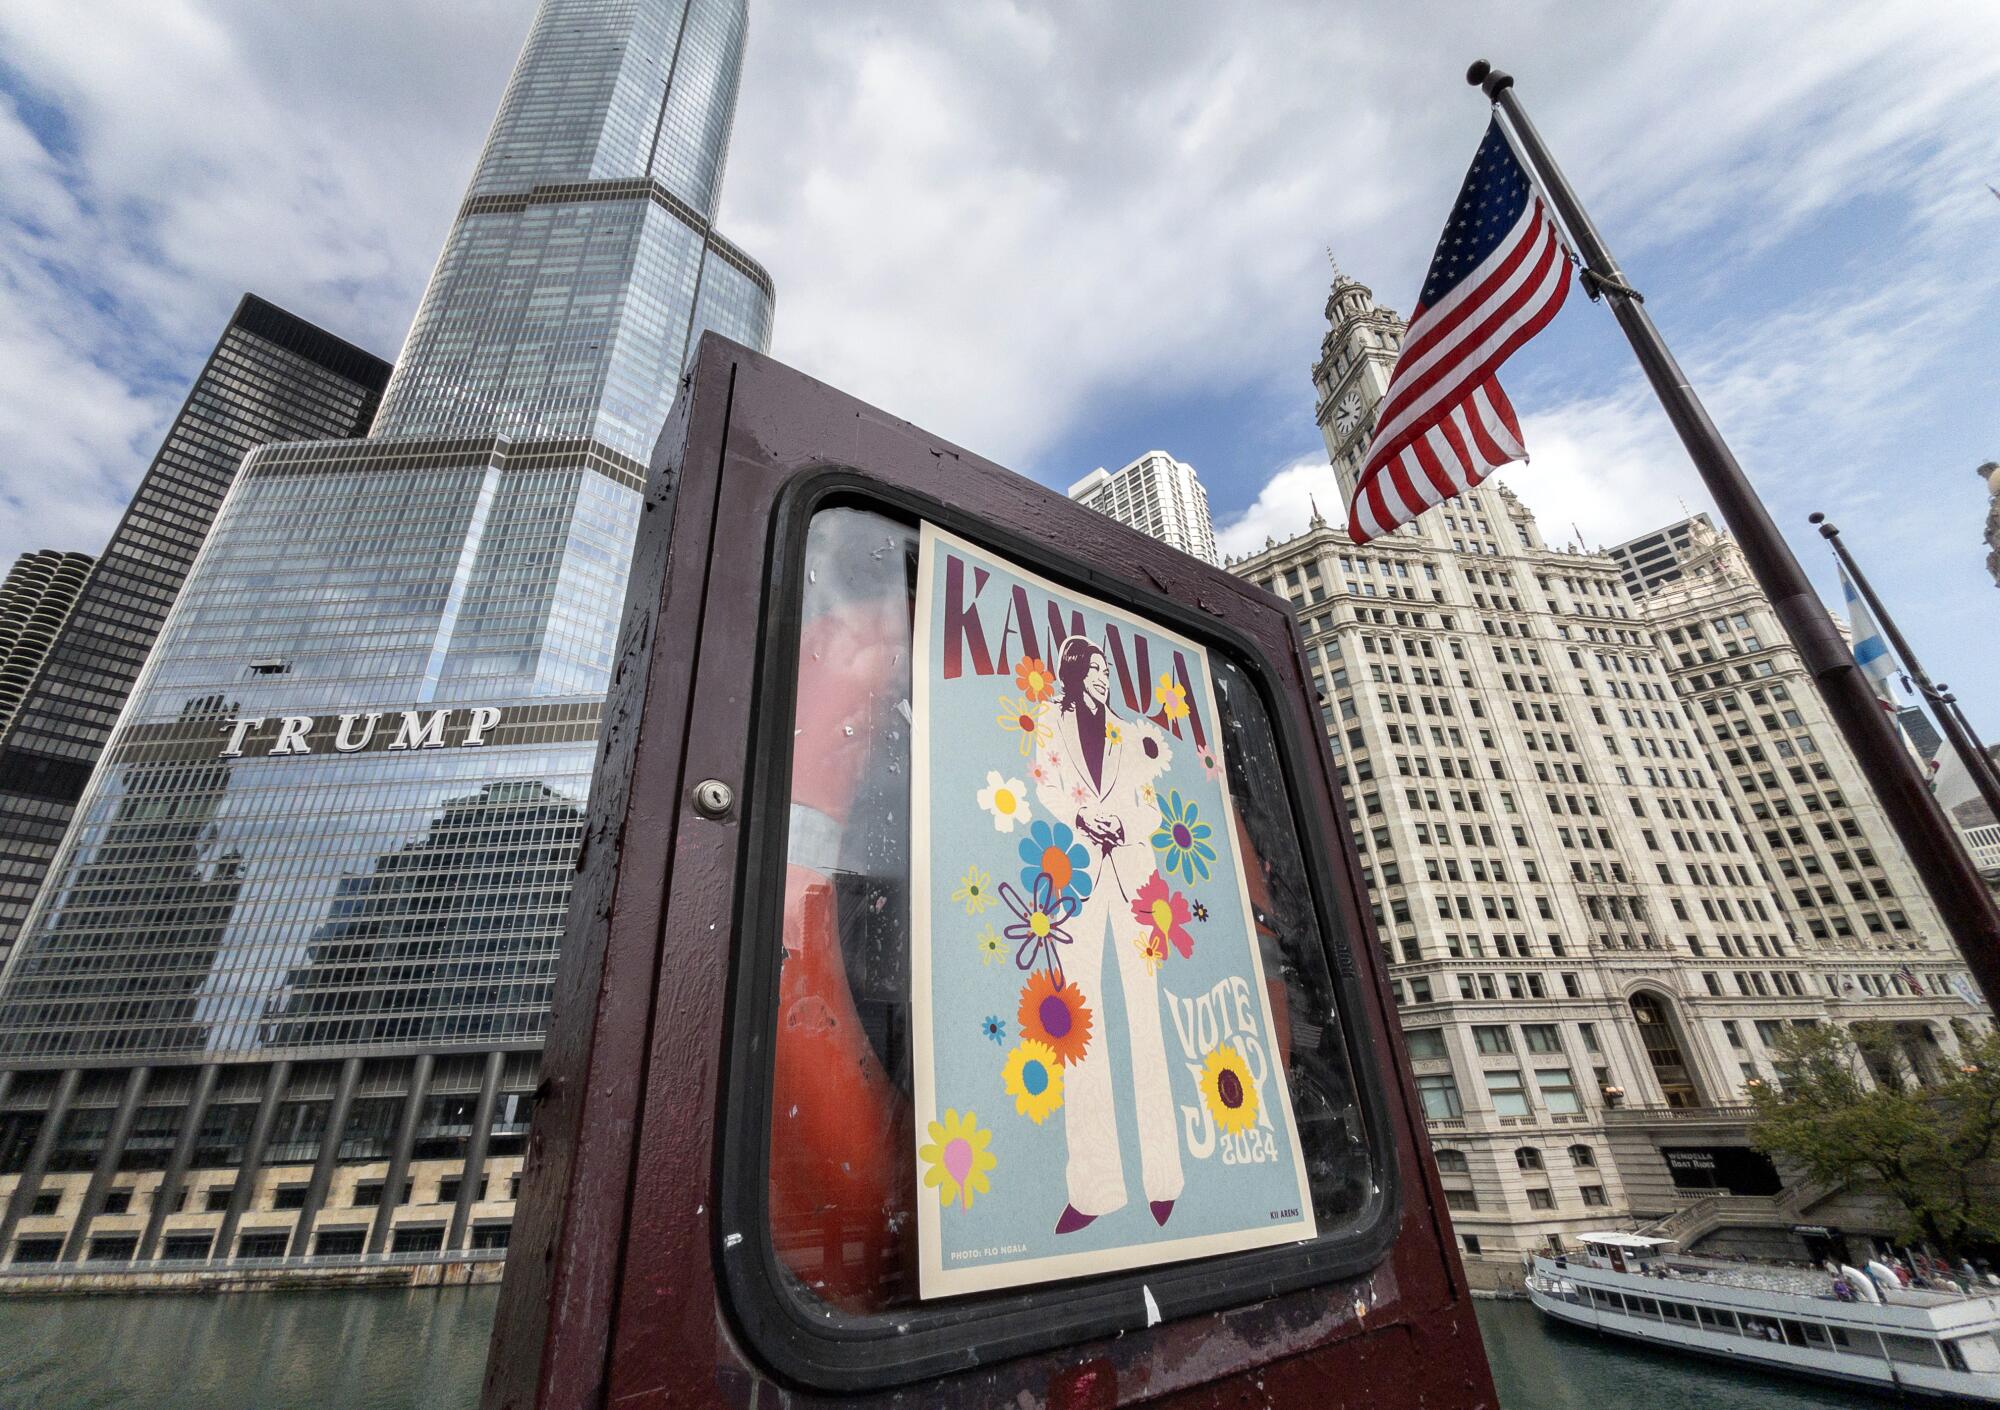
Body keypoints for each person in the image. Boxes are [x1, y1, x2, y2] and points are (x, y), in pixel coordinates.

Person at [1033, 637, 1186, 1234]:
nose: (1102, 678)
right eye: (1092, 670)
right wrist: (1080, 818)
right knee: (1078, 1028)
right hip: (1076, 883)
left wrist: (1126, 822)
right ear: (1072, 675)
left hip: (1137, 885)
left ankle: (1164, 1182)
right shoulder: (1050, 724)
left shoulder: (1131, 735)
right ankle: (1094, 1190)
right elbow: (1045, 786)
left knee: (1145, 1023)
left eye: (1105, 669)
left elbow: (1151, 804)